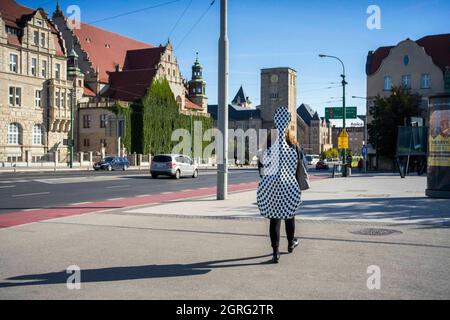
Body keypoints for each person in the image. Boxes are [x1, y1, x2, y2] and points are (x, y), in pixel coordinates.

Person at [257, 107, 301, 264]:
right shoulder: (293, 143)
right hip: (289, 185)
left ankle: (275, 252)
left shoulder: (269, 143)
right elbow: (300, 166)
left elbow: (261, 165)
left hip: (271, 185)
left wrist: (265, 179)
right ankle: (290, 243)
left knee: (274, 219)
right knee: (289, 214)